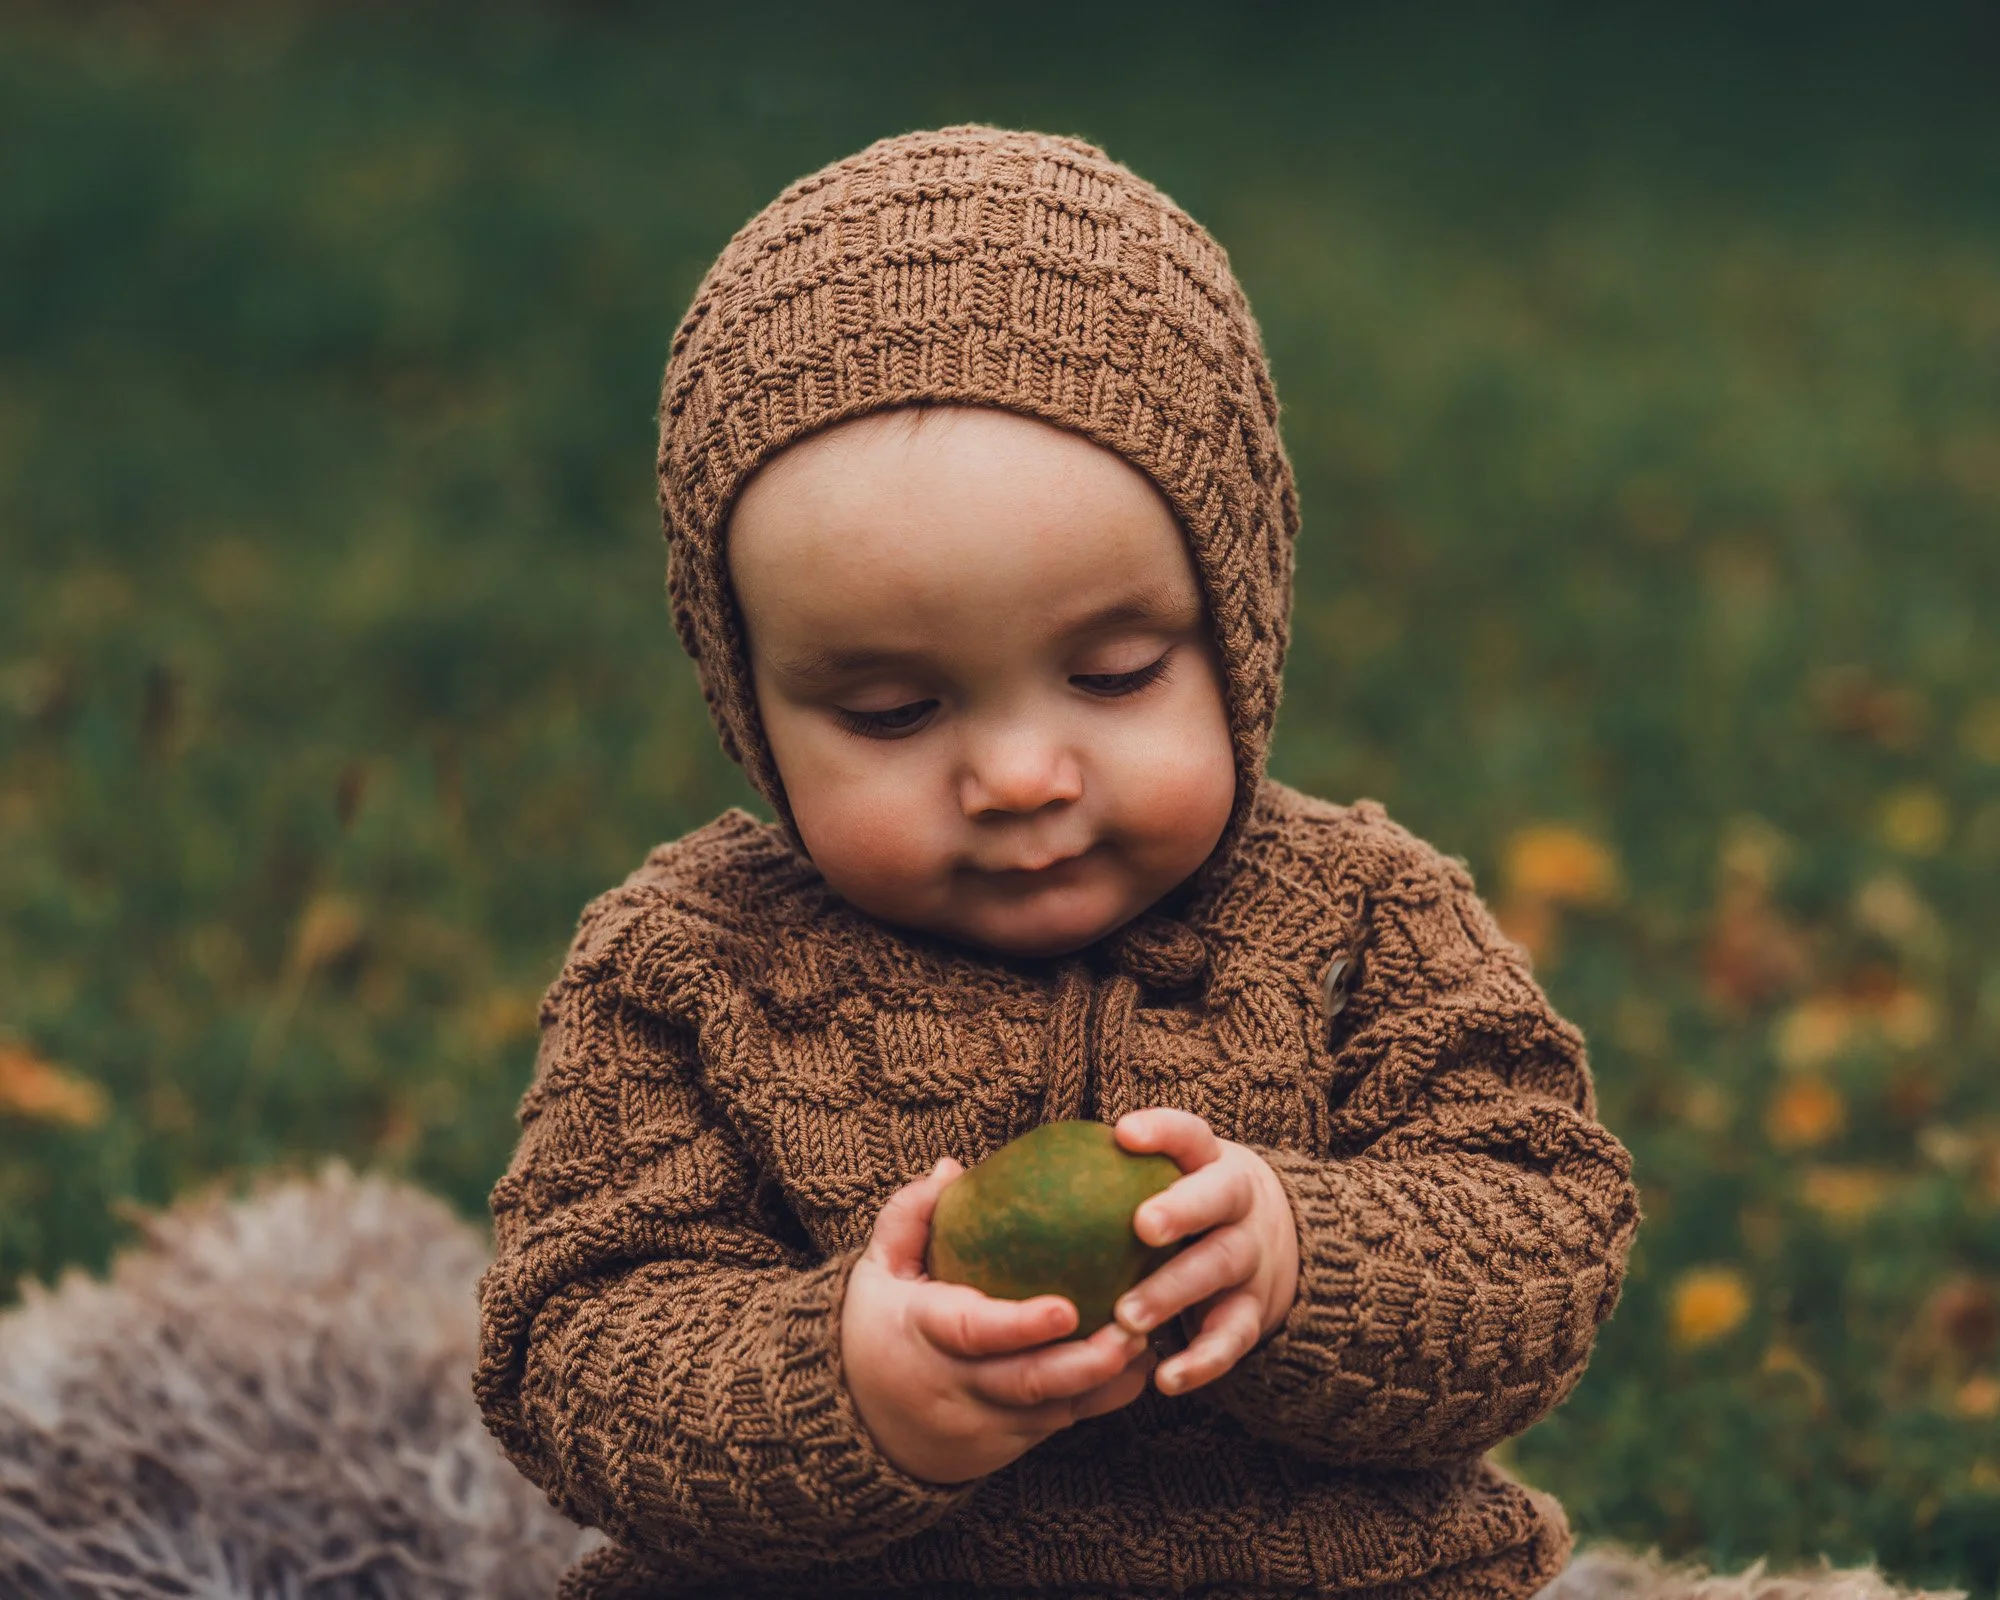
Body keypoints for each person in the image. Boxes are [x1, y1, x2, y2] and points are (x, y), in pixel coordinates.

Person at [473, 124, 1641, 1600]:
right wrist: (844, 1385)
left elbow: (1541, 1226)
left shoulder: (1361, 917)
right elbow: (575, 1342)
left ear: (1237, 629)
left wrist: (1303, 1255)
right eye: (891, 712)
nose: (1020, 777)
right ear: (747, 703)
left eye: (1113, 675)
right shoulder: (692, 967)